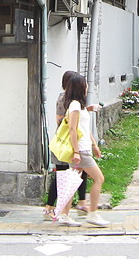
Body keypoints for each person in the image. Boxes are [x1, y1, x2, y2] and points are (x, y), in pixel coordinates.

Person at [57, 73, 110, 227]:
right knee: (99, 178)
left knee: (73, 183)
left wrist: (94, 145)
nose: (87, 87)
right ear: (80, 87)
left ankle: (64, 215)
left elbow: (83, 129)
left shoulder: (78, 106)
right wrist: (76, 152)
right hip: (81, 151)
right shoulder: (74, 105)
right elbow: (73, 129)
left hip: (84, 149)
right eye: (85, 84)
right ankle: (92, 214)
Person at [43, 71, 89, 221]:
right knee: (61, 175)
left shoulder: (74, 101)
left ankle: (79, 203)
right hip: (64, 144)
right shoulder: (64, 99)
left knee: (78, 172)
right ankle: (51, 208)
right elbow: (61, 121)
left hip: (71, 143)